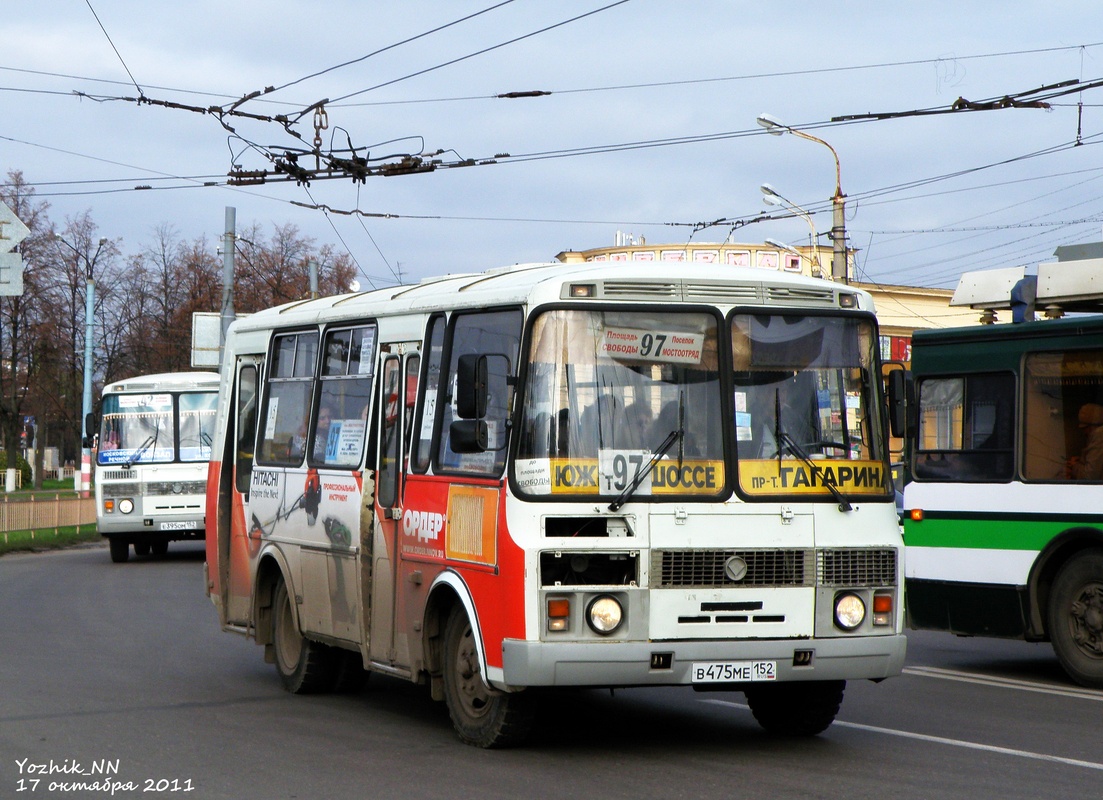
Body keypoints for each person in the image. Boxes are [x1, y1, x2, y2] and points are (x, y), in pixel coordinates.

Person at [1068, 403, 1103, 480]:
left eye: (1085, 428)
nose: (1084, 432)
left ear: (1091, 426)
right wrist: (1083, 460)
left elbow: (1090, 476)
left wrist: (1074, 466)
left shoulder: (1099, 435)